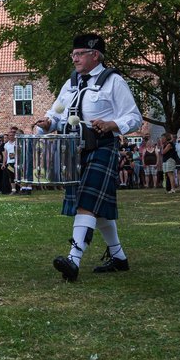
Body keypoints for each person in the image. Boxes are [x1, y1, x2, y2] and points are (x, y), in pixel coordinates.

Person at [35, 34, 143, 281]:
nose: (74, 59)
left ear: (95, 55)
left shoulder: (113, 81)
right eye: (73, 54)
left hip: (102, 146)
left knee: (86, 201)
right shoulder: (71, 83)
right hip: (75, 150)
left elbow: (134, 117)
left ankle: (73, 260)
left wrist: (112, 124)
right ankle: (119, 258)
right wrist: (49, 122)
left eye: (79, 54)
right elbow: (58, 111)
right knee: (97, 207)